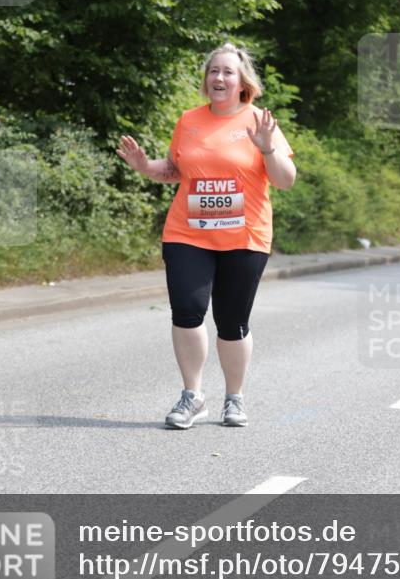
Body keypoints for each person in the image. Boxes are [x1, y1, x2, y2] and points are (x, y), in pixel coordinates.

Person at [116, 43, 296, 429]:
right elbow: (176, 170)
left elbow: (285, 180)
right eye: (214, 71)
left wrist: (267, 150)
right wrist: (144, 165)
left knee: (232, 321)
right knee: (187, 309)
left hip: (244, 236)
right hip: (188, 232)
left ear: (242, 81)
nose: (219, 78)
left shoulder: (259, 122)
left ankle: (234, 398)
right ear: (206, 79)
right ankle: (192, 395)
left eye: (228, 72)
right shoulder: (189, 121)